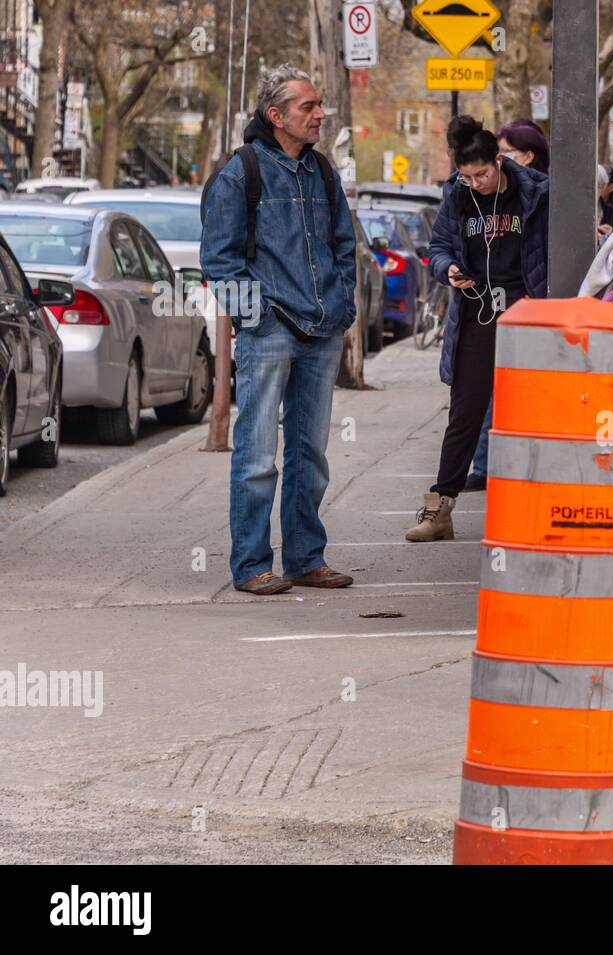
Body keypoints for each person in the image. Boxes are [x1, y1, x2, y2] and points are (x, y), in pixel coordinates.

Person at [201, 65, 357, 595]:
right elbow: (220, 262)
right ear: (277, 116)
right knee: (257, 454)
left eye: (319, 106)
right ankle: (250, 565)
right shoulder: (240, 173)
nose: (320, 114)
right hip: (269, 331)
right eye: (308, 107)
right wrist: (259, 318)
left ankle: (305, 558)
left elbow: (344, 245)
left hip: (322, 329)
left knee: (310, 453)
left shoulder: (322, 172)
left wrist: (342, 304)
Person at [406, 115, 549, 542]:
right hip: (476, 313)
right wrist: (447, 269)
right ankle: (440, 509)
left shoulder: (535, 192)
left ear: (499, 161)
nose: (476, 183)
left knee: (527, 414)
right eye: (467, 177)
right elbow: (439, 246)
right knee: (465, 414)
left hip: (526, 315)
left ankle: (534, 507)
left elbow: (552, 249)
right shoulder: (458, 195)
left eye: (482, 174)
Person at [461, 120, 551, 493]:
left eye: (507, 153)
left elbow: (545, 252)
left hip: (526, 302)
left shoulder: (541, 194)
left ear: (527, 156)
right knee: (490, 385)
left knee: (518, 387)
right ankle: (484, 462)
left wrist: (537, 295)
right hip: (487, 302)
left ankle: (503, 462)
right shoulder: (473, 194)